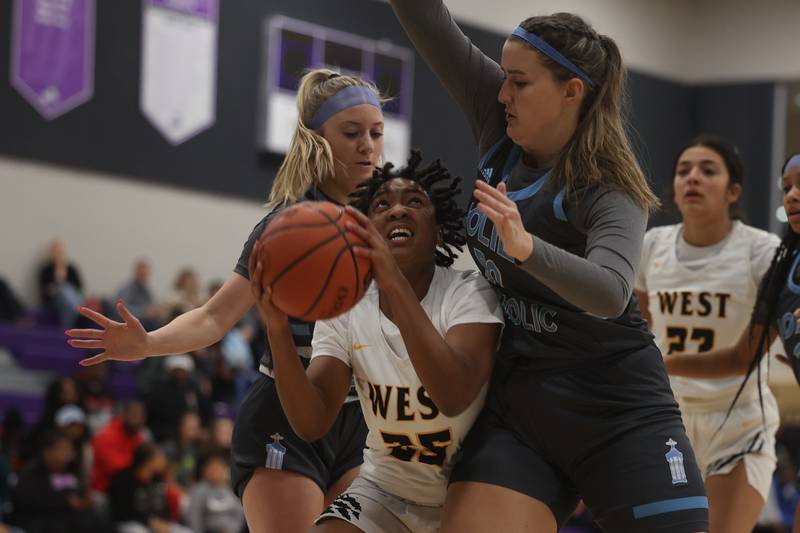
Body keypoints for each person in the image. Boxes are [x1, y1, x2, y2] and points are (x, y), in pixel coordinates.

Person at [388, 2, 708, 531]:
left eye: (518, 82)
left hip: (618, 412)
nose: (501, 93)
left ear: (571, 91)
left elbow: (610, 292)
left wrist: (528, 248)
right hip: (523, 414)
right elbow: (427, 19)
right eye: (503, 77)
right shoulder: (500, 124)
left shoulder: (609, 186)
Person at [66, 67, 387, 532]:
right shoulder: (288, 228)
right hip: (285, 414)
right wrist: (148, 344)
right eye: (352, 132)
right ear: (317, 139)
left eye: (376, 133)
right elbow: (216, 316)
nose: (368, 145)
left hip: (360, 421)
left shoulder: (388, 221)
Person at [250, 153, 503, 532]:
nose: (398, 209)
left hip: (468, 490)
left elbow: (453, 394)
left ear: (438, 231)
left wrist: (391, 280)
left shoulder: (470, 292)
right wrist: (277, 329)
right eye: (382, 204)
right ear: (363, 231)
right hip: (384, 489)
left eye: (415, 201)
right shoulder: (348, 310)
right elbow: (311, 421)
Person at [635, 136, 780, 533]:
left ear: (733, 191)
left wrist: (660, 365)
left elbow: (743, 356)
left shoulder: (762, 251)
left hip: (739, 424)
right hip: (668, 420)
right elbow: (637, 332)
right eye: (684, 171)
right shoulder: (650, 245)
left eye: (707, 170)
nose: (692, 178)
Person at [665, 153, 800, 533]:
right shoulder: (781, 268)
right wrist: (664, 363)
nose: (792, 195)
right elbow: (743, 356)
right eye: (786, 187)